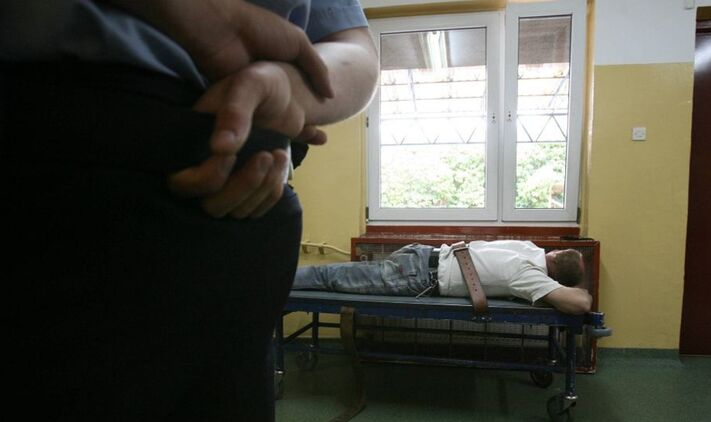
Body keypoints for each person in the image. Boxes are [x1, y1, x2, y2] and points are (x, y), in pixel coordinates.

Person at [2, 0, 378, 420]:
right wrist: (191, 13)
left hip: (246, 207)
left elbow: (355, 49)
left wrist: (289, 90)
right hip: (60, 152)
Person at [293, 241, 593, 315]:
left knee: (333, 274)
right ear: (556, 277)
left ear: (554, 254)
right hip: (419, 275)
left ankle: (278, 279)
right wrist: (579, 286)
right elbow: (581, 304)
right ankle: (274, 280)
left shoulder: (528, 248)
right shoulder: (528, 275)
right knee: (329, 276)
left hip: (422, 253)